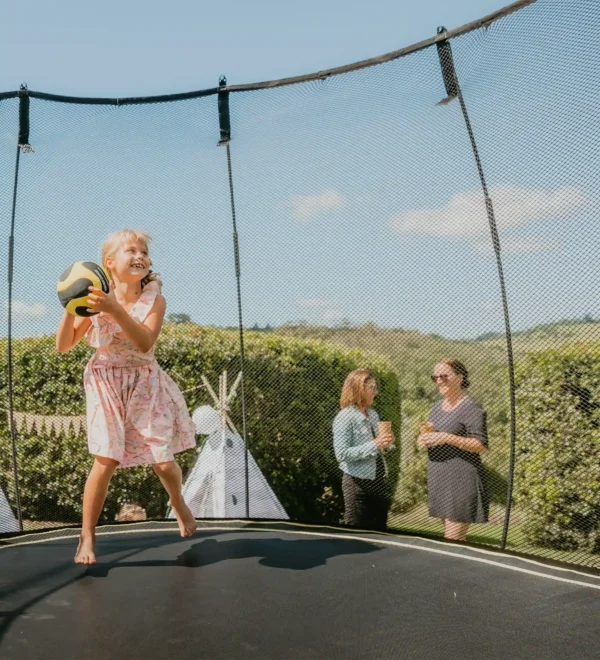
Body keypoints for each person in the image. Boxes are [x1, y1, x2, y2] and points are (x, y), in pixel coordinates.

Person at [56, 229, 197, 565]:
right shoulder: (94, 299)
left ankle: (177, 501)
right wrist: (70, 306)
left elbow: (144, 342)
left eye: (144, 251)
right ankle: (87, 535)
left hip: (144, 382)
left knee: (162, 460)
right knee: (106, 459)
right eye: (130, 250)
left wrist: (116, 310)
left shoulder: (155, 301)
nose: (140, 255)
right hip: (105, 381)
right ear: (109, 263)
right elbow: (63, 346)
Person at [417, 358, 489, 542]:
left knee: (451, 541)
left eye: (444, 376)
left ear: (460, 377)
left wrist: (446, 438)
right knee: (455, 543)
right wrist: (423, 440)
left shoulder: (471, 407)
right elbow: (432, 434)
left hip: (461, 481)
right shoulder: (436, 407)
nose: (439, 381)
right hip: (439, 479)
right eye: (435, 377)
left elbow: (481, 446)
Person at [332, 369, 394, 531]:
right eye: (372, 388)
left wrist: (387, 444)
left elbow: (380, 447)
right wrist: (374, 444)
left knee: (380, 531)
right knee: (357, 532)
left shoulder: (373, 415)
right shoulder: (345, 417)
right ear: (359, 388)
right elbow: (341, 454)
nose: (376, 392)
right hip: (357, 484)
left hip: (379, 482)